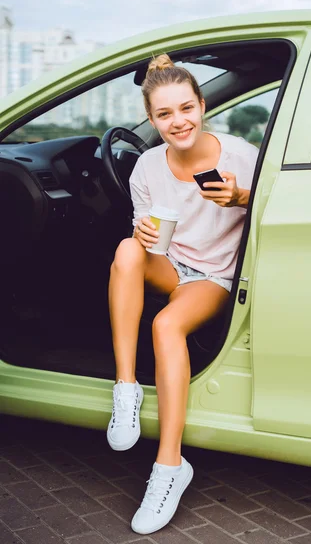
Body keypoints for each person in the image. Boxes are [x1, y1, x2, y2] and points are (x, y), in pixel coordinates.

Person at [107, 53, 258, 535]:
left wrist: (241, 198)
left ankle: (169, 468)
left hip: (211, 277)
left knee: (166, 324)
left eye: (186, 108)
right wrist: (146, 238)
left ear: (202, 105)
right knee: (127, 251)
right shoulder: (148, 166)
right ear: (151, 120)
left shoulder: (241, 156)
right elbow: (147, 232)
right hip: (170, 265)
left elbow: (277, 208)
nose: (178, 122)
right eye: (164, 114)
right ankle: (126, 387)